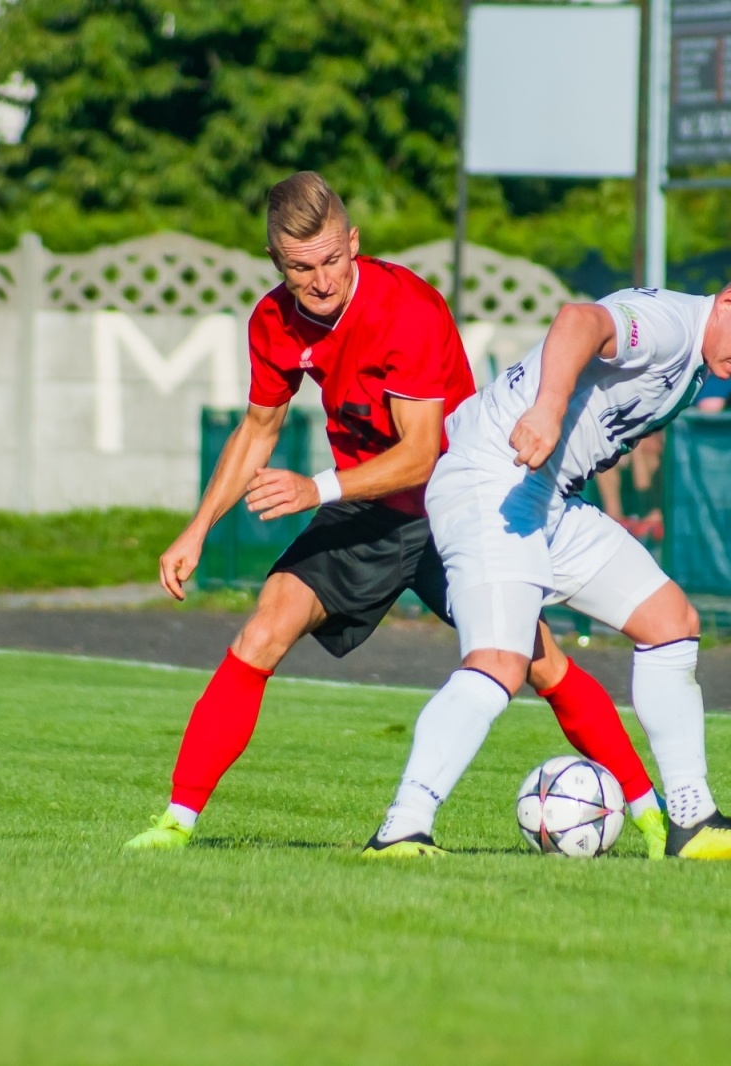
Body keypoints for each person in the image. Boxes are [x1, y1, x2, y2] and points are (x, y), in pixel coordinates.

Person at [123, 173, 661, 854]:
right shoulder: (272, 321)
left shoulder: (403, 309)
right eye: (300, 268)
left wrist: (314, 489)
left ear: (353, 243)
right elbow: (259, 428)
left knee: (540, 661)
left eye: (330, 260)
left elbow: (419, 456)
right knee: (265, 626)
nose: (320, 281)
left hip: (455, 503)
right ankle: (176, 822)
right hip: (367, 507)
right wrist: (196, 531)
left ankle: (651, 814)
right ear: (277, 264)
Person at [362, 261, 731, 860]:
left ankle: (693, 821)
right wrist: (549, 409)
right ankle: (402, 828)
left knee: (671, 622)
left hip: (548, 497)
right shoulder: (671, 326)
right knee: (500, 663)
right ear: (729, 301)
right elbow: (579, 320)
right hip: (493, 482)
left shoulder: (698, 355)